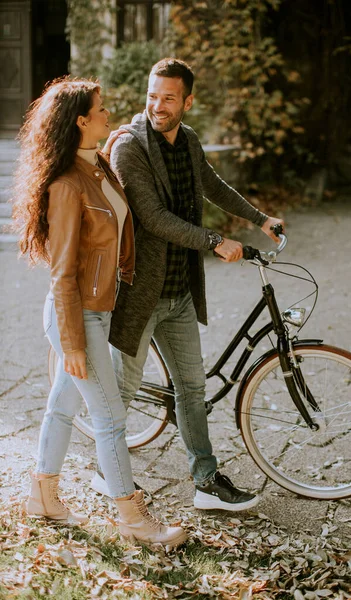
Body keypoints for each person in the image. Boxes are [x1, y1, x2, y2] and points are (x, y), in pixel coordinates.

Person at [94, 58, 285, 511]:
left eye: (168, 98)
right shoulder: (129, 148)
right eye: (152, 95)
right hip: (141, 291)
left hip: (179, 291)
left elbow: (212, 185)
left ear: (187, 101)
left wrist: (260, 219)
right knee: (121, 388)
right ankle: (108, 470)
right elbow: (154, 219)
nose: (157, 106)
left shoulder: (189, 140)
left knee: (192, 389)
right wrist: (216, 241)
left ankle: (205, 481)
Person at [12, 77, 186, 548]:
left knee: (62, 408)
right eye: (101, 109)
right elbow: (63, 272)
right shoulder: (68, 185)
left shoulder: (97, 167)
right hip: (77, 316)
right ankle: (132, 518)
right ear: (81, 120)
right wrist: (71, 343)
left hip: (97, 312)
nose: (110, 113)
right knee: (110, 419)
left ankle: (42, 496)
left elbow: (119, 231)